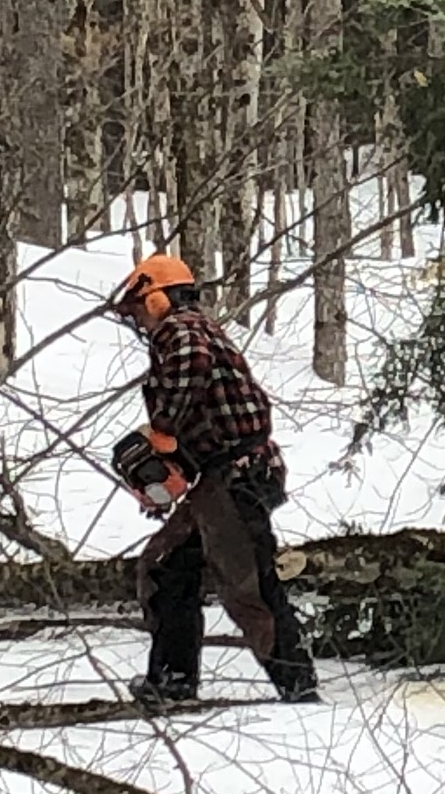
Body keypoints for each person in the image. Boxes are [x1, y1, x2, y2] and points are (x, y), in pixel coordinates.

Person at [103, 253, 320, 705]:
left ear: (159, 297)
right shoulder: (187, 333)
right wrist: (170, 471)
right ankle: (172, 680)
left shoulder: (181, 331)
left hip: (237, 474)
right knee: (166, 568)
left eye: (141, 308)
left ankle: (298, 687)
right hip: (219, 477)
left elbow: (191, 373)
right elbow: (202, 414)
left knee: (248, 588)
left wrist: (161, 431)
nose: (140, 321)